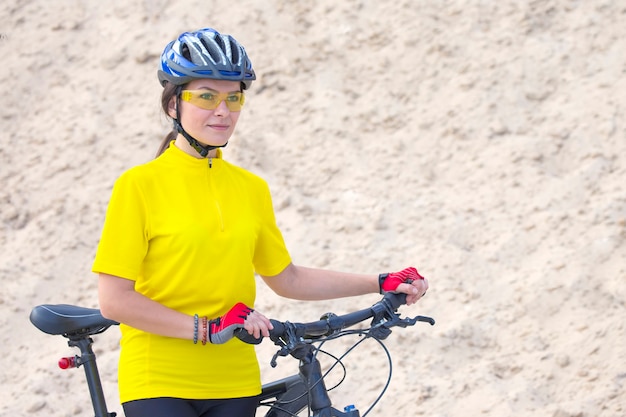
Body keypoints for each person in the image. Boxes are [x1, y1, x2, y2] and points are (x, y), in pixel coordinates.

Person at [94, 27, 429, 417]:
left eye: (233, 98)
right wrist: (207, 328)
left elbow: (287, 279)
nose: (222, 111)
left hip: (235, 378)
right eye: (206, 96)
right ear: (173, 105)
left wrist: (380, 282)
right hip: (159, 379)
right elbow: (114, 300)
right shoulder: (139, 185)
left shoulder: (251, 188)